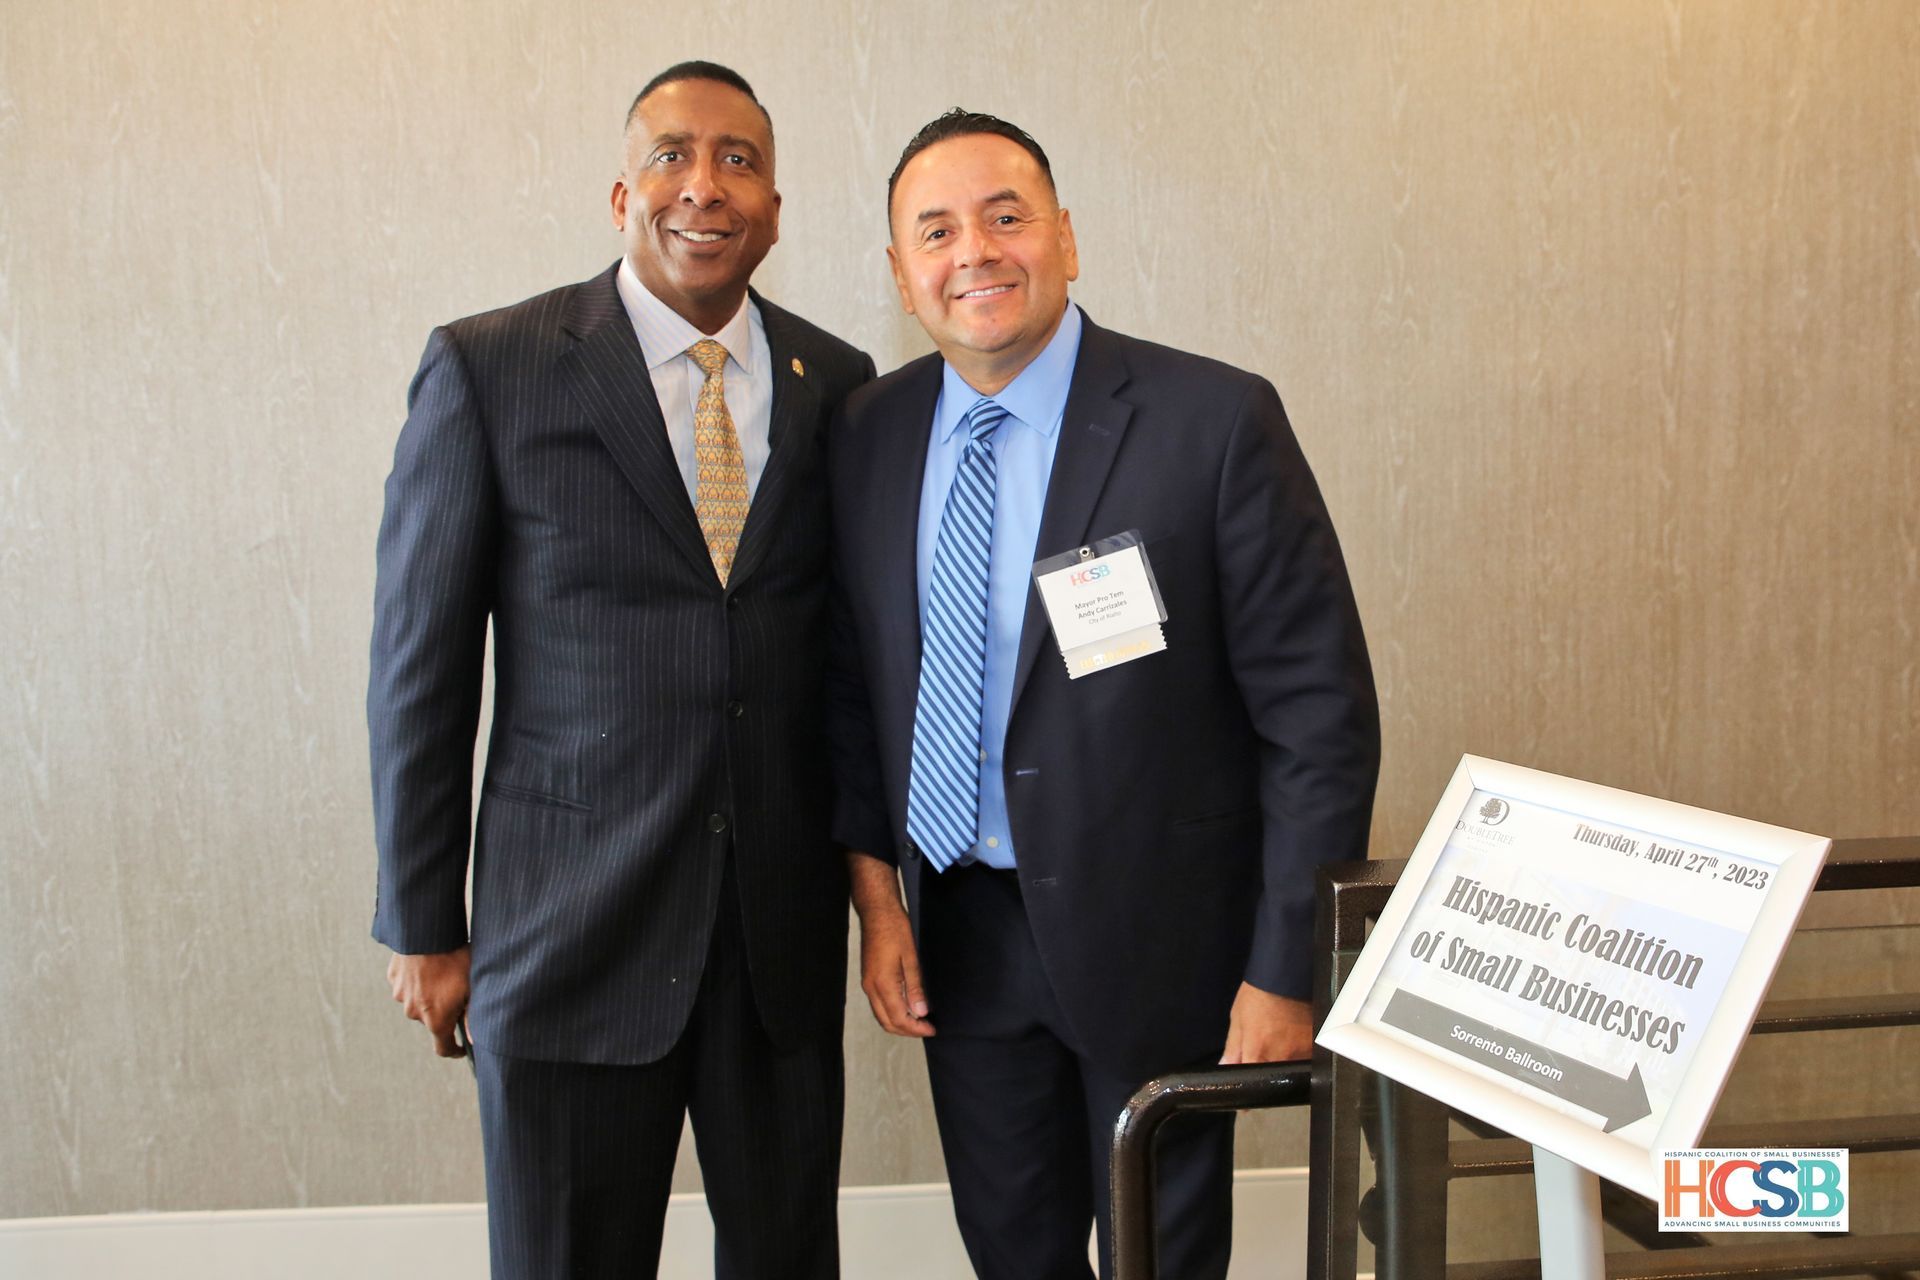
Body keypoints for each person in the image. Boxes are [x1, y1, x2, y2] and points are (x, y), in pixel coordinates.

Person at [828, 110, 1380, 1280]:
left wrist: (1287, 964)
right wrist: (880, 901)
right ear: (900, 274)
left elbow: (1317, 717)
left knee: (1163, 1255)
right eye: (935, 230)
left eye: (1005, 215)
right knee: (1012, 1248)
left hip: (1161, 934)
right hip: (962, 936)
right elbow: (852, 688)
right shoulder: (870, 434)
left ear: (1067, 238)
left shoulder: (1213, 421)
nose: (972, 249)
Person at [368, 61, 871, 1280]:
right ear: (620, 193)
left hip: (774, 944)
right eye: (673, 155)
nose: (705, 185)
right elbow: (421, 669)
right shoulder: (490, 366)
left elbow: (850, 669)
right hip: (568, 932)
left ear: (775, 208)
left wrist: (878, 890)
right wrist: (425, 921)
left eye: (739, 160)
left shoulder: (838, 383)